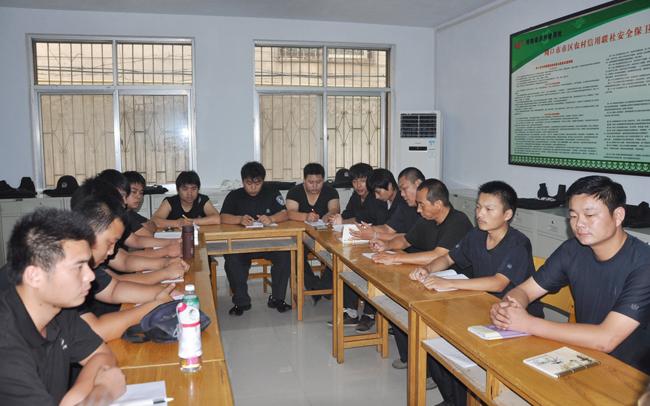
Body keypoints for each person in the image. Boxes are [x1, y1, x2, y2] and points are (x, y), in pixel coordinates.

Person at [491, 175, 650, 375]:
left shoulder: (644, 263)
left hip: (633, 374)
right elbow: (525, 290)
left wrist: (527, 323)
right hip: (585, 356)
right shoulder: (572, 250)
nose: (579, 224)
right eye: (573, 216)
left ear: (618, 216)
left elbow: (606, 339)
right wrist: (509, 308)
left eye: (589, 215)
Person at [410, 181, 542, 406]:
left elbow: (498, 283)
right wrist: (428, 269)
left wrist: (449, 283)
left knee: (452, 345)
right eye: (478, 207)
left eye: (489, 209)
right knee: (433, 341)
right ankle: (454, 400)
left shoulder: (518, 243)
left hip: (514, 318)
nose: (480, 214)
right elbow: (448, 258)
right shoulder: (475, 235)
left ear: (507, 214)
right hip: (481, 307)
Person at [0, 208, 126, 405]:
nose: (90, 276)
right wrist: (103, 393)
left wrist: (72, 400)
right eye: (78, 267)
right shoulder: (6, 346)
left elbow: (101, 354)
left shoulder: (58, 310)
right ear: (34, 276)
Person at [381, 178, 473, 370]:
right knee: (398, 302)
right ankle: (411, 358)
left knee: (411, 306)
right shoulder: (427, 219)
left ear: (438, 204)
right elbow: (405, 240)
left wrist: (396, 258)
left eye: (422, 204)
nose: (418, 209)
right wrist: (386, 246)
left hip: (456, 288)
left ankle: (430, 369)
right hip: (431, 280)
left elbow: (438, 255)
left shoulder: (458, 221)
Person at [71, 185, 180, 341]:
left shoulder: (84, 262)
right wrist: (155, 304)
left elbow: (114, 288)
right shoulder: (66, 268)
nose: (111, 252)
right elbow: (95, 331)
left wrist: (162, 294)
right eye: (110, 243)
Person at [220, 161, 292, 316]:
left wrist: (271, 219)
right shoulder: (234, 195)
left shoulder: (272, 192)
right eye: (249, 183)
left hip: (269, 243)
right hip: (242, 244)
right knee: (231, 259)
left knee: (285, 255)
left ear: (263, 181)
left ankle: (277, 298)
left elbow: (285, 213)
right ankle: (241, 302)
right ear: (242, 181)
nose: (253, 187)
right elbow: (223, 217)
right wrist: (239, 219)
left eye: (257, 183)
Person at [328, 163, 388, 328]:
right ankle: (351, 311)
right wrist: (338, 218)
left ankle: (369, 314)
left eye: (362, 181)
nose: (358, 185)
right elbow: (348, 214)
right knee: (345, 263)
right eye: (355, 181)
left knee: (370, 270)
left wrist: (345, 221)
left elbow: (368, 220)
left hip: (376, 242)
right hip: (358, 241)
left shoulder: (376, 198)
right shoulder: (355, 196)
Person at [286, 163, 340, 296]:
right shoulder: (294, 192)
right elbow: (290, 213)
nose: (315, 186)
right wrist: (305, 216)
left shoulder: (330, 191)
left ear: (323, 180)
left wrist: (328, 215)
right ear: (304, 180)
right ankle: (313, 285)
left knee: (338, 253)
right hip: (301, 236)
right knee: (294, 253)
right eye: (311, 182)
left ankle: (325, 285)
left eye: (319, 182)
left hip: (325, 235)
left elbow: (335, 209)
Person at [351, 167, 420, 242]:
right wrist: (366, 229)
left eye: (378, 192)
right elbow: (388, 228)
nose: (376, 197)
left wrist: (375, 235)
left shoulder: (407, 203)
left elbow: (409, 237)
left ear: (390, 186)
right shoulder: (382, 202)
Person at [152, 170, 221, 227]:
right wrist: (178, 223)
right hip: (174, 236)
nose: (189, 193)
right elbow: (154, 221)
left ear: (198, 189)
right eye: (185, 189)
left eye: (193, 188)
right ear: (178, 190)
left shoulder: (202, 200)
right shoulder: (170, 202)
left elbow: (217, 219)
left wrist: (192, 222)